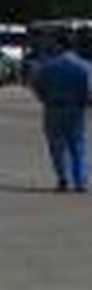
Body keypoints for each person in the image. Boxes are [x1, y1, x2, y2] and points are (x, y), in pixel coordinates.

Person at [30, 33, 92, 192]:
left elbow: (37, 87)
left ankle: (63, 179)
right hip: (75, 109)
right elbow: (89, 90)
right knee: (78, 146)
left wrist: (46, 99)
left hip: (53, 109)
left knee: (57, 147)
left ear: (59, 45)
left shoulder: (47, 66)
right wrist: (84, 103)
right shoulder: (84, 66)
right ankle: (81, 182)